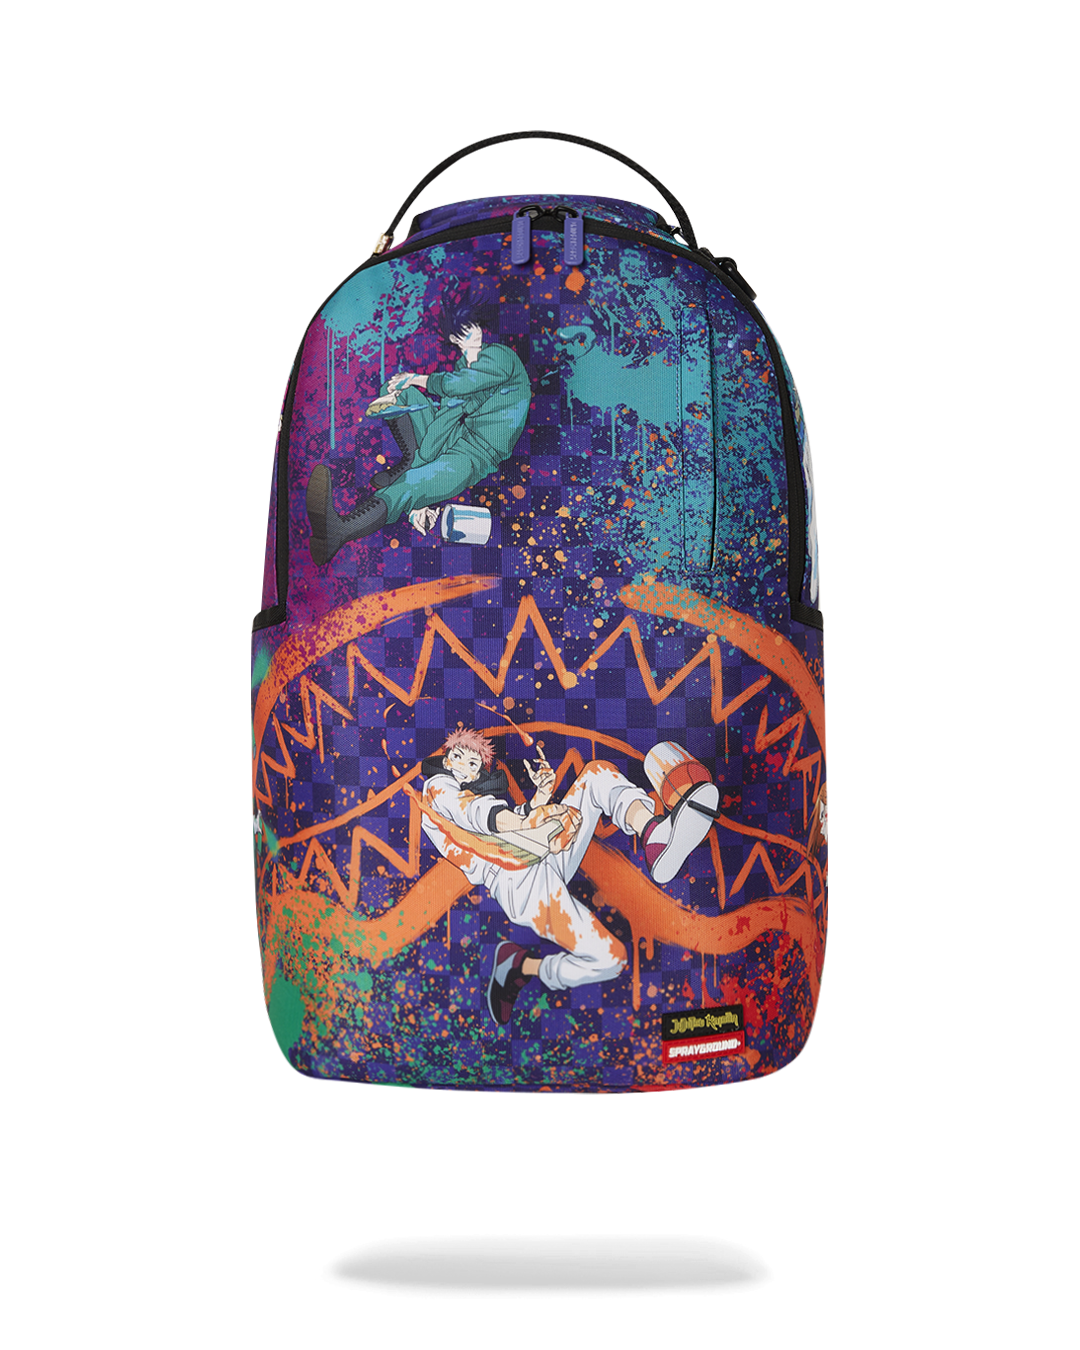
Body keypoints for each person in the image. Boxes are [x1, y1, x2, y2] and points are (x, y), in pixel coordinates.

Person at [417, 728, 719, 1025]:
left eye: (473, 763)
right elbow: (481, 815)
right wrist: (540, 823)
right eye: (459, 757)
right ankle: (524, 967)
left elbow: (508, 820)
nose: (465, 765)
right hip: (520, 884)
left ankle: (654, 837)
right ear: (446, 759)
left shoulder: (472, 790)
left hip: (536, 854)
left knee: (596, 775)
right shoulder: (437, 788)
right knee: (611, 959)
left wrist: (541, 799)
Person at [306, 298, 532, 563]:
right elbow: (447, 418)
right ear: (453, 337)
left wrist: (417, 379)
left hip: (474, 457)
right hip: (456, 438)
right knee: (396, 393)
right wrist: (421, 463)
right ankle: (411, 463)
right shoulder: (462, 367)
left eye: (474, 325)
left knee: (409, 486)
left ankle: (337, 532)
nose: (474, 331)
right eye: (465, 329)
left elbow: (459, 385)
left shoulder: (500, 357)